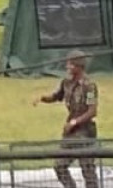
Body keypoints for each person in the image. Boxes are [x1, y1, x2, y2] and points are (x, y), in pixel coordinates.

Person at [39, 50, 99, 188]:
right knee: (60, 166)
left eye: (71, 64)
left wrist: (74, 122)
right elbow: (57, 96)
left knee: (88, 171)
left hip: (85, 133)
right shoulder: (66, 82)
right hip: (70, 134)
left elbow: (92, 111)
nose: (68, 67)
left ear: (79, 67)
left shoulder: (89, 86)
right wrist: (43, 98)